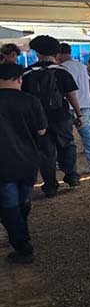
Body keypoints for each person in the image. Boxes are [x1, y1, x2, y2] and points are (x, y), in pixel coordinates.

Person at [21, 35, 82, 197]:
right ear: (55, 53)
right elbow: (71, 95)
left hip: (37, 119)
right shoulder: (62, 71)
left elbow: (24, 98)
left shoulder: (27, 73)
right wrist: (79, 114)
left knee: (45, 151)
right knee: (67, 145)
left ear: (37, 52)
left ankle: (50, 185)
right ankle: (71, 175)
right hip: (61, 116)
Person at [0, 63, 47, 264]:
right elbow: (41, 130)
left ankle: (23, 246)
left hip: (3, 162)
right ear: (19, 79)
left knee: (8, 205)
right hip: (28, 160)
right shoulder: (30, 101)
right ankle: (21, 236)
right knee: (23, 201)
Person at [57, 44, 90, 174]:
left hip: (68, 105)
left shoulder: (62, 68)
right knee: (87, 133)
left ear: (60, 54)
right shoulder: (82, 66)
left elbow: (67, 90)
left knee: (66, 135)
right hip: (84, 104)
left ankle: (63, 162)